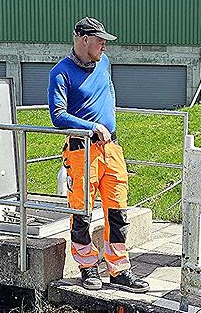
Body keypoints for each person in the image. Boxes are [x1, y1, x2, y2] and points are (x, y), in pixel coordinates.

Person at [48, 17, 149, 293]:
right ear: (84, 40)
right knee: (81, 213)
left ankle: (119, 270)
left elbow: (108, 94)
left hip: (112, 149)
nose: (104, 44)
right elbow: (58, 116)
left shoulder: (103, 63)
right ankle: (88, 267)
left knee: (118, 211)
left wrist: (108, 124)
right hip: (82, 151)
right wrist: (92, 126)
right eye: (100, 40)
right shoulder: (61, 72)